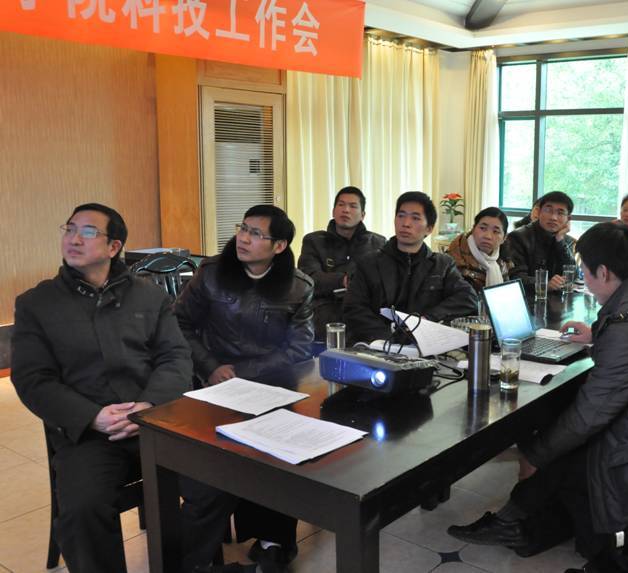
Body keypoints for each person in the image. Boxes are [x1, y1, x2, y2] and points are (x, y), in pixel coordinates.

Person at [448, 222, 628, 570]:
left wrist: (533, 455)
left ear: (603, 272)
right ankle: (524, 526)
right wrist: (597, 334)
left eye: (585, 272)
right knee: (568, 432)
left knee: (568, 436)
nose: (585, 281)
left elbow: (591, 414)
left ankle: (515, 521)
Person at [10, 204, 229, 573]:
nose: (74, 238)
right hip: (89, 432)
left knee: (219, 482)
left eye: (88, 232)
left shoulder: (149, 297)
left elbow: (176, 357)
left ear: (113, 247)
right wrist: (92, 417)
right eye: (69, 229)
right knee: (83, 510)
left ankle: (182, 566)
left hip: (156, 421)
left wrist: (149, 404)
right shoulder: (37, 303)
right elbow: (33, 378)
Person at [174, 204, 313, 571]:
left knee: (280, 457)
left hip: (271, 385)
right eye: (243, 228)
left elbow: (299, 348)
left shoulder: (298, 286)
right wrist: (210, 367)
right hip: (211, 384)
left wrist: (243, 372)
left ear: (279, 246)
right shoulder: (211, 274)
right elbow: (179, 324)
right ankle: (198, 552)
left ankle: (273, 541)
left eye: (255, 233)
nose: (243, 238)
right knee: (215, 466)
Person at [343, 191, 478, 344]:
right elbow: (354, 309)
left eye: (415, 218)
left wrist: (427, 319)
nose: (406, 223)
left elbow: (468, 299)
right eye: (401, 216)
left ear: (429, 228)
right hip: (379, 345)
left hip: (424, 345)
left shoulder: (442, 264)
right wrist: (390, 338)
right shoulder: (369, 263)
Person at [297, 186, 386, 340]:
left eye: (353, 206)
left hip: (364, 318)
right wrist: (343, 280)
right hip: (323, 317)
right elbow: (308, 279)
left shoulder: (378, 243)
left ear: (363, 215)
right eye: (341, 204)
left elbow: (382, 285)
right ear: (333, 211)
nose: (346, 210)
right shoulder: (314, 241)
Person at [504, 191, 576, 294]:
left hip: (557, 299)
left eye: (560, 213)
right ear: (538, 212)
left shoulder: (565, 240)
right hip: (528, 298)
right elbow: (516, 278)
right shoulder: (518, 237)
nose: (553, 217)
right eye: (548, 210)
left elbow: (572, 276)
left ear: (568, 219)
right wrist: (545, 284)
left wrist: (560, 241)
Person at [446, 206, 512, 292]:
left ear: (504, 238)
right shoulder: (451, 260)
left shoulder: (504, 261)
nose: (488, 236)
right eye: (482, 228)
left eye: (495, 231)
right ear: (473, 229)